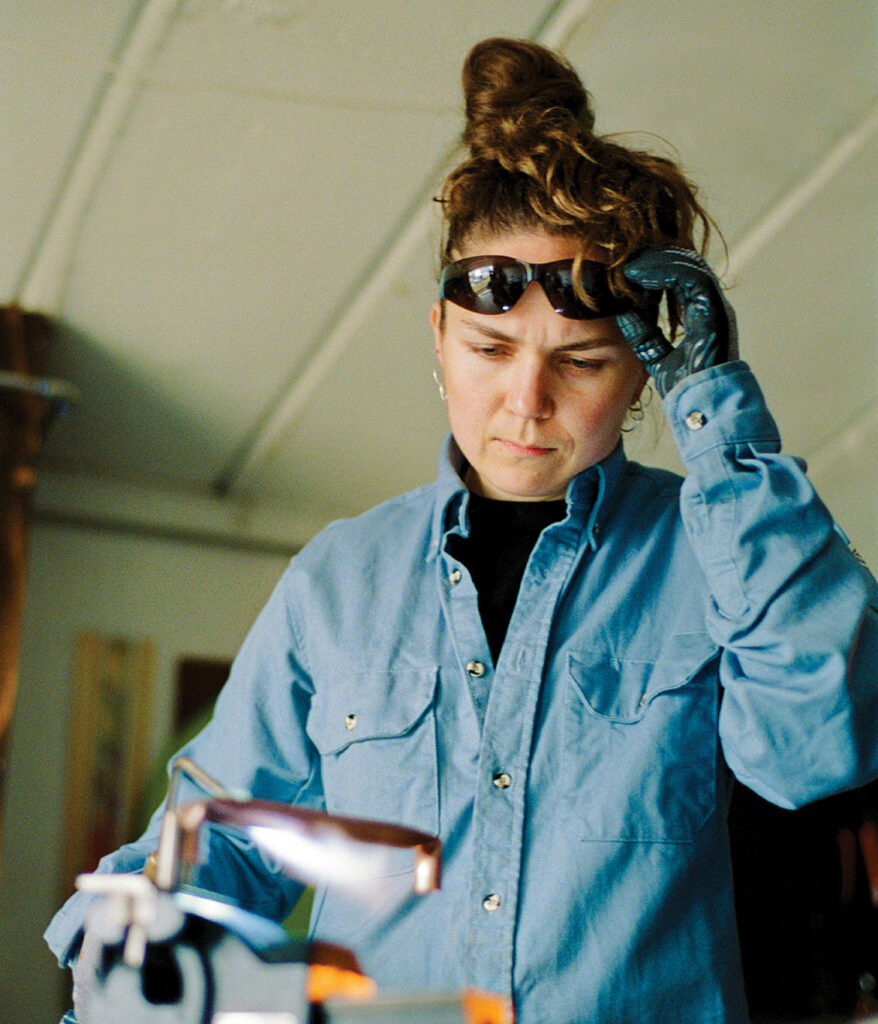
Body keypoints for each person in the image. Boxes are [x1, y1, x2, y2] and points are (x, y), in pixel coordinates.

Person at [46, 36, 878, 1024]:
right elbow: (218, 847)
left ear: (643, 376)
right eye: (489, 347)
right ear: (439, 340)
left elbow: (816, 748)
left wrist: (719, 417)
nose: (525, 400)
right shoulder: (337, 582)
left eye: (580, 360)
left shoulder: (719, 555)